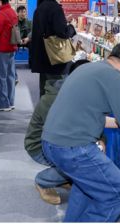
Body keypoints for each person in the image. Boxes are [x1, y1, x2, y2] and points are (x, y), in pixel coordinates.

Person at [41, 43, 120, 222]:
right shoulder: (114, 77)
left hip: (52, 142)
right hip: (73, 148)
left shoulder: (88, 68)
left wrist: (119, 122)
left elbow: (85, 112)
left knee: (85, 188)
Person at [24, 59, 89, 205]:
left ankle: (63, 176)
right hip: (40, 146)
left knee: (85, 155)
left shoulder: (78, 91)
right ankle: (43, 181)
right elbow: (58, 135)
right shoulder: (53, 99)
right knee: (80, 161)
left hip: (58, 142)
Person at [29, 0, 76, 98]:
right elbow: (63, 33)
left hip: (42, 56)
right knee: (56, 90)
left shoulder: (40, 8)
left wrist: (63, 21)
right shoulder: (56, 8)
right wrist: (72, 27)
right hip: (55, 58)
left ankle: (43, 109)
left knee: (44, 90)